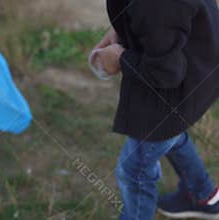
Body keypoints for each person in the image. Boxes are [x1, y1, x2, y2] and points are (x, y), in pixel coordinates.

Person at [93, 0, 219, 219]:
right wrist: (123, 24)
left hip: (173, 92)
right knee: (173, 136)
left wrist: (121, 60)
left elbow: (166, 72)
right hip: (197, 71)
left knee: (134, 171)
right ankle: (205, 196)